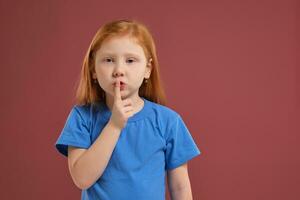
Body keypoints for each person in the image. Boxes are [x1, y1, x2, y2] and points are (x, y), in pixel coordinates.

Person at [54, 19, 201, 200]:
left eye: (130, 60)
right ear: (93, 69)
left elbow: (180, 188)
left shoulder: (168, 122)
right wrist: (114, 126)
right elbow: (82, 178)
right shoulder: (82, 117)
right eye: (108, 60)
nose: (119, 70)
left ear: (148, 69)